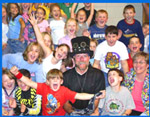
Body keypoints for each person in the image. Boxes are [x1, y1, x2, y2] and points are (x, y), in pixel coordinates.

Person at [10, 67, 101, 116]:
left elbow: (79, 95)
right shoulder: (43, 87)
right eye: (52, 79)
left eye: (57, 79)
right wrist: (17, 74)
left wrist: (94, 95)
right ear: (48, 82)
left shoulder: (64, 91)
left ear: (61, 82)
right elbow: (28, 82)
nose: (55, 81)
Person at [63, 36, 105, 115]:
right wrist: (73, 113)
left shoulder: (98, 75)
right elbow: (64, 100)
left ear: (89, 58)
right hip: (71, 111)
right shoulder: (66, 76)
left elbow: (97, 99)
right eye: (78, 56)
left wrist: (89, 112)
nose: (82, 59)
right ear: (74, 58)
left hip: (91, 111)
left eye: (85, 56)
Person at [28, 14, 71, 80]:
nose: (62, 53)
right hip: (39, 81)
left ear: (65, 57)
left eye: (65, 53)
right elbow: (40, 41)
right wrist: (35, 25)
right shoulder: (49, 53)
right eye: (61, 50)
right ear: (56, 49)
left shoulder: (61, 66)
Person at [122, 52, 149, 116]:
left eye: (141, 62)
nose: (137, 65)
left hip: (146, 111)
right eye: (135, 62)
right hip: (128, 109)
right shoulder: (128, 77)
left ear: (147, 65)